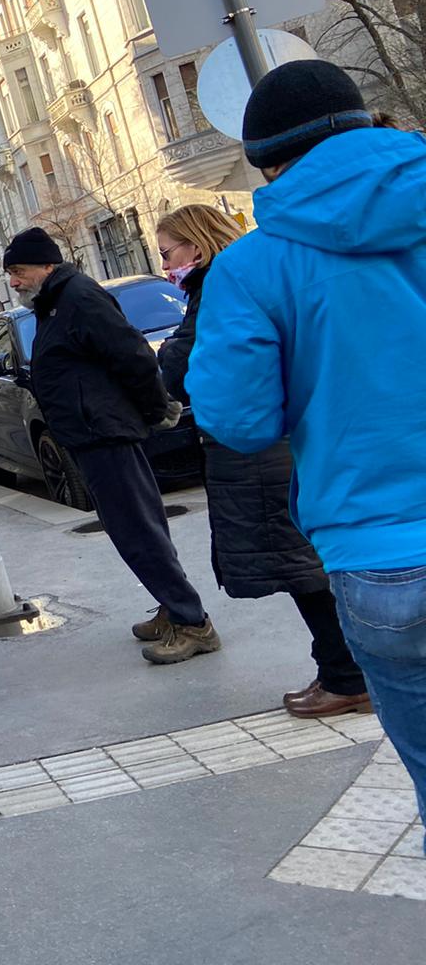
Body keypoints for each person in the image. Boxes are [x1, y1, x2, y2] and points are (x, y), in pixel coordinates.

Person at [188, 58, 426, 836]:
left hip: (383, 553)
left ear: (270, 163)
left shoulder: (252, 267)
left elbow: (240, 420)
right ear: (367, 124)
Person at [156, 205, 368, 717]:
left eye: (168, 254)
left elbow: (186, 369)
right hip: (275, 444)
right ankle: (342, 669)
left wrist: (170, 361)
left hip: (256, 451)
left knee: (301, 568)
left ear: (197, 246)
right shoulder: (246, 280)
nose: (166, 267)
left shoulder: (218, 293)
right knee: (305, 564)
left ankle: (346, 676)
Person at [1, 227, 222, 664]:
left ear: (47, 265)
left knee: (138, 532)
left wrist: (157, 407)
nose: (14, 281)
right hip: (93, 435)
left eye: (19, 271)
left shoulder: (78, 298)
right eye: (10, 273)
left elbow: (131, 354)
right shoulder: (54, 302)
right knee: (136, 530)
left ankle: (192, 622)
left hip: (106, 435)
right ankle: (172, 606)